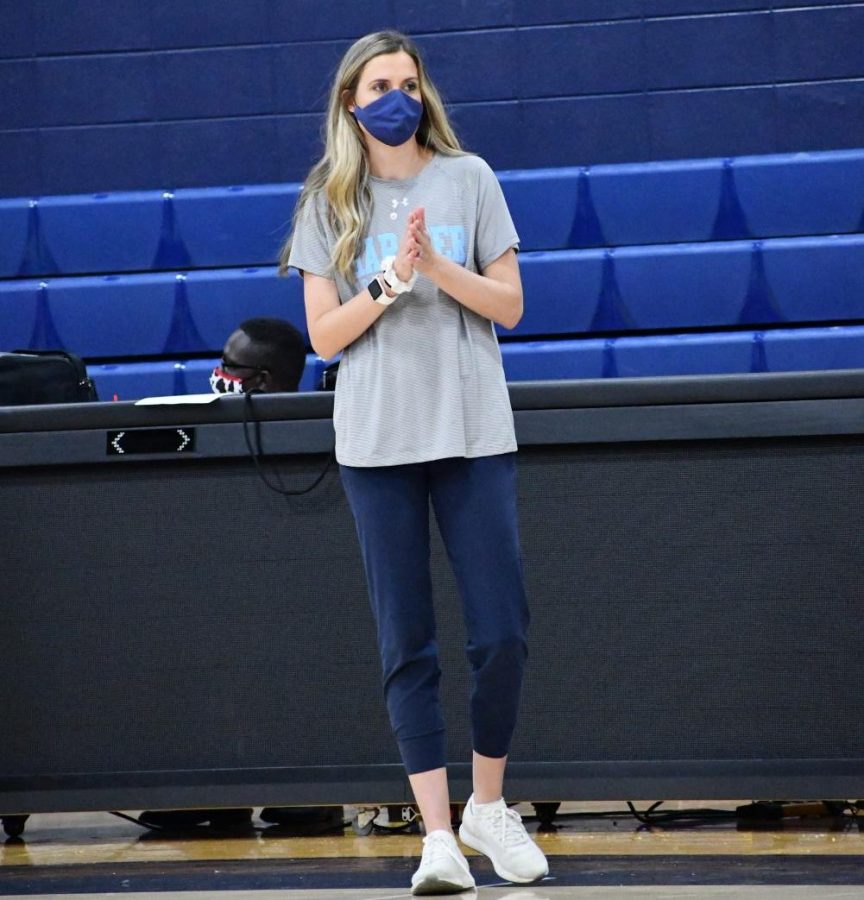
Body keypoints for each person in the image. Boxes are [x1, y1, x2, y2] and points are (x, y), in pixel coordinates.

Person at [281, 30, 548, 894]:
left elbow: (509, 305)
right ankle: (437, 832)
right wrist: (393, 280)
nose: (396, 95)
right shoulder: (328, 198)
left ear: (423, 90)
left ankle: (488, 806)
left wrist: (438, 265)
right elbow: (323, 337)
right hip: (377, 442)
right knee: (408, 642)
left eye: (407, 80)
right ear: (352, 105)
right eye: (378, 84)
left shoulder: (470, 177)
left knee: (501, 631)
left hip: (472, 432)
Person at [142, 316, 335, 834]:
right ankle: (216, 791)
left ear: (266, 381)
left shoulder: (321, 429)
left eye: (229, 366)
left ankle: (311, 793)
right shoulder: (212, 432)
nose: (217, 372)